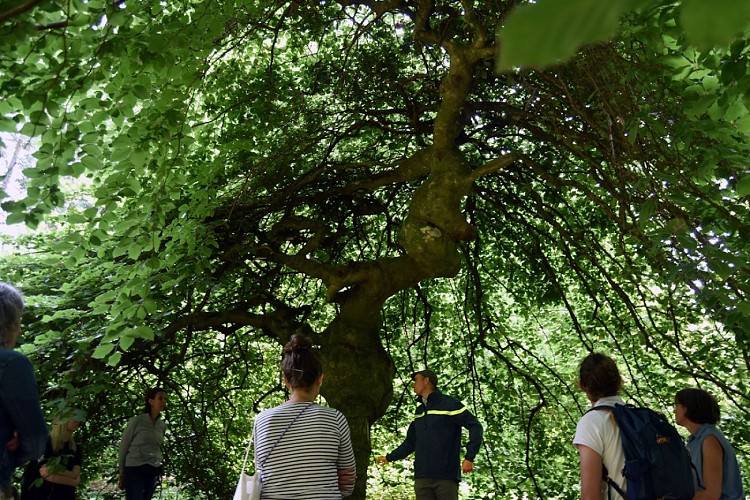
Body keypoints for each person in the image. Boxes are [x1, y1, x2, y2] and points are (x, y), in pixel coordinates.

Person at [252, 334, 356, 498]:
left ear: (286, 381)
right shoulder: (335, 418)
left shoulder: (262, 420)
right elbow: (348, 479)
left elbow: (262, 473)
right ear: (320, 379)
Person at [376, 369, 484, 500]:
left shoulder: (449, 404)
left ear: (426, 381)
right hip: (422, 477)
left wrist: (469, 457)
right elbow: (410, 443)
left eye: (416, 380)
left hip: (446, 477)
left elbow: (475, 426)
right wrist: (389, 457)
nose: (413, 385)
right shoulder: (420, 411)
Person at [0, 282, 48, 500]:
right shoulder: (11, 363)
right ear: (8, 325)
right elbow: (36, 438)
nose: (19, 330)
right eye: (18, 322)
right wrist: (11, 453)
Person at [572, 352, 627, 499]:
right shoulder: (639, 418)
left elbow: (590, 496)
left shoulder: (593, 422)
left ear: (582, 386)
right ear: (619, 382)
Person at [675, 388, 744, 499]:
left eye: (677, 404)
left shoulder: (709, 439)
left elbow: (710, 495)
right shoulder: (695, 440)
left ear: (688, 407)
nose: (674, 410)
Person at [118, 387, 167, 500]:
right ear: (151, 401)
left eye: (165, 399)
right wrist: (121, 471)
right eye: (160, 398)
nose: (163, 402)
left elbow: (158, 447)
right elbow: (124, 446)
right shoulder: (137, 421)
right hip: (135, 468)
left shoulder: (162, 425)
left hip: (153, 469)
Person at [21, 414, 83, 500]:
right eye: (73, 418)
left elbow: (76, 473)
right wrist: (73, 481)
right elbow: (45, 473)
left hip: (64, 495)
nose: (78, 421)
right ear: (62, 421)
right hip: (39, 494)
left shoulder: (75, 448)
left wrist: (56, 471)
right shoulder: (44, 443)